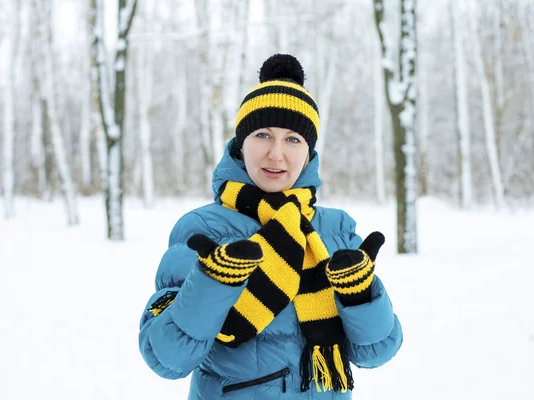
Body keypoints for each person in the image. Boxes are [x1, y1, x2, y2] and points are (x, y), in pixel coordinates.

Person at [138, 54, 403, 399]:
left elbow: (376, 351)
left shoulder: (336, 229)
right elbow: (167, 358)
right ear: (241, 143)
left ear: (308, 152)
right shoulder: (203, 229)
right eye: (263, 134)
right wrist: (211, 283)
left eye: (293, 139)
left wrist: (361, 296)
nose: (276, 155)